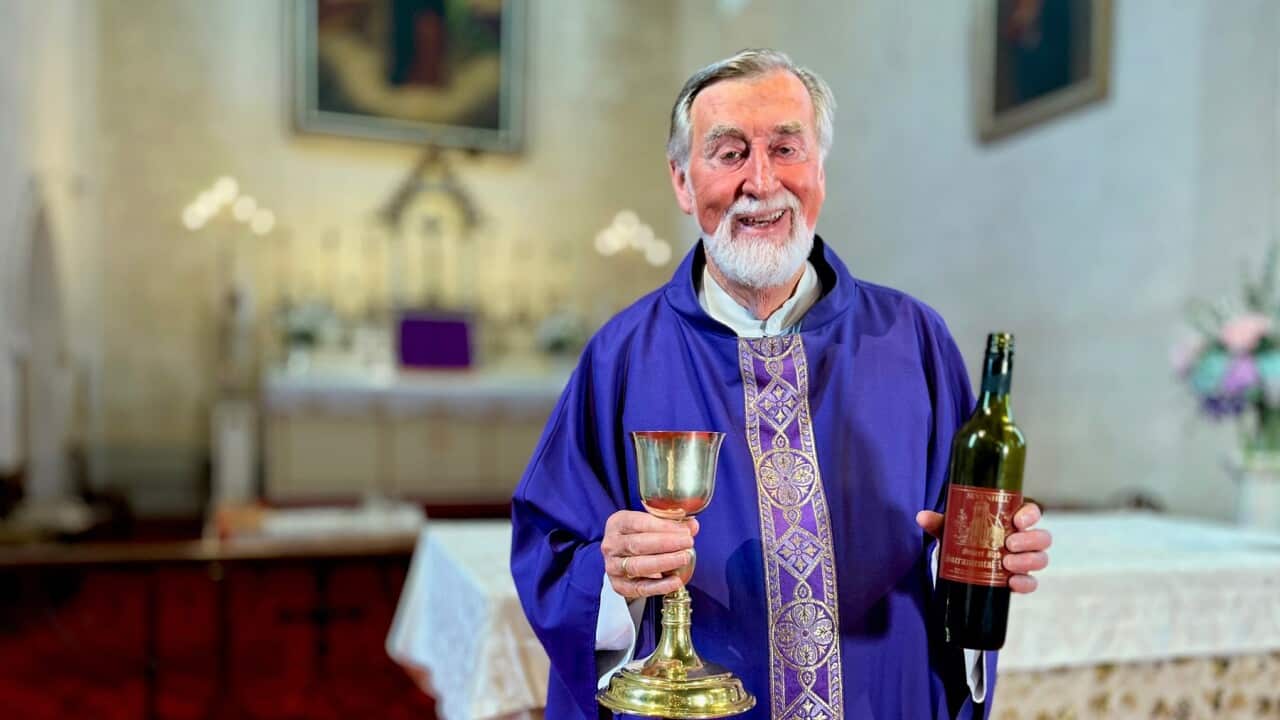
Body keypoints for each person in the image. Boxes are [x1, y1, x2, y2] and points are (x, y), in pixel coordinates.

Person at [510, 48, 1052, 719]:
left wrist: (981, 559)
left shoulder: (913, 341)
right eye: (729, 153)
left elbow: (958, 545)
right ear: (683, 182)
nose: (761, 182)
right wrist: (611, 576)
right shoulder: (622, 357)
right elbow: (551, 558)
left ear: (819, 170)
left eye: (786, 149)